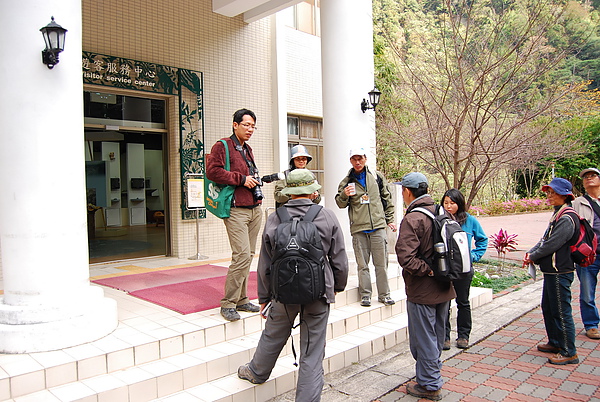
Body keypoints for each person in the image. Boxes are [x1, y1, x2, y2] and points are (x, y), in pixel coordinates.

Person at [237, 169, 349, 402]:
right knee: (312, 349)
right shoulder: (326, 216)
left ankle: (256, 372)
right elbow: (339, 258)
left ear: (289, 193)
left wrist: (264, 298)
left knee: (273, 334)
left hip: (282, 293)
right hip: (318, 293)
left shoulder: (275, 218)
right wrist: (336, 286)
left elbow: (265, 263)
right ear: (312, 192)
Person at [396, 172, 455, 401]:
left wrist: (429, 270)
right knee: (437, 334)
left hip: (423, 290)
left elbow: (406, 258)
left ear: (408, 192)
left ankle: (430, 385)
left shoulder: (413, 219)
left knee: (424, 338)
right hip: (445, 286)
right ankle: (431, 374)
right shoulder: (443, 211)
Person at [206, 108, 262, 322]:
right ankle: (228, 303)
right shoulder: (222, 146)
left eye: (253, 126)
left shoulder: (247, 149)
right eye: (246, 125)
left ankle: (242, 298)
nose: (250, 129)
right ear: (235, 124)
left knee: (248, 256)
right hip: (236, 209)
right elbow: (212, 171)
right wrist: (241, 179)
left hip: (254, 208)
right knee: (240, 255)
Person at [523, 178, 579, 365]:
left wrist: (534, 256)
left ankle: (569, 351)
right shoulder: (558, 214)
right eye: (548, 192)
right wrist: (531, 252)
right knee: (549, 308)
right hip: (551, 272)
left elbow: (553, 244)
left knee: (561, 311)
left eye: (553, 193)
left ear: (564, 195)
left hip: (560, 272)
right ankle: (555, 342)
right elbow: (544, 239)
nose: (549, 196)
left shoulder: (567, 217)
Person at [335, 148, 396, 307]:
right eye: (354, 159)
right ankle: (366, 295)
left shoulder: (376, 177)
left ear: (365, 158)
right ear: (350, 161)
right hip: (359, 229)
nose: (357, 162)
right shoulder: (346, 181)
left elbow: (387, 200)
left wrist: (390, 220)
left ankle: (384, 294)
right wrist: (344, 195)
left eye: (360, 158)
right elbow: (340, 204)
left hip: (378, 227)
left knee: (381, 264)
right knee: (363, 266)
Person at [441, 189, 488, 350]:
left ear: (459, 204)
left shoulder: (470, 221)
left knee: (463, 302)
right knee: (444, 303)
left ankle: (463, 335)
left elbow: (482, 240)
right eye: (445, 203)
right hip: (446, 269)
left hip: (464, 270)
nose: (448, 206)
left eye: (452, 203)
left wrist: (472, 256)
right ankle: (444, 337)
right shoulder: (440, 221)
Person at [571, 168, 600, 340]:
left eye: (593, 176)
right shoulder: (578, 203)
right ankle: (591, 325)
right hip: (589, 255)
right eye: (586, 177)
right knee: (587, 292)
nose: (589, 179)